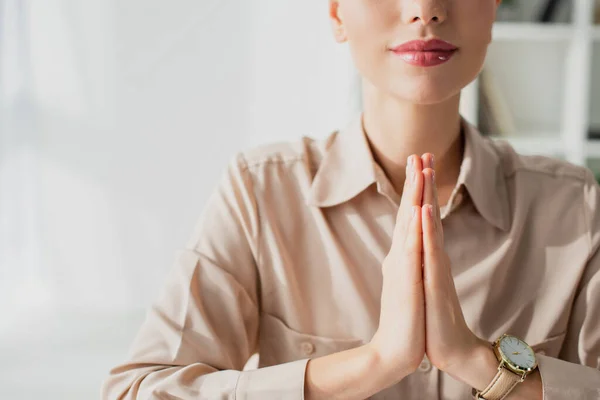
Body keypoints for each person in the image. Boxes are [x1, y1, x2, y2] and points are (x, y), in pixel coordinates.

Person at [102, 0, 600, 399]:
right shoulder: (261, 192)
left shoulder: (573, 206)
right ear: (337, 13)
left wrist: (474, 360)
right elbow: (136, 391)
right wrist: (373, 363)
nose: (425, 9)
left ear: (493, 9)